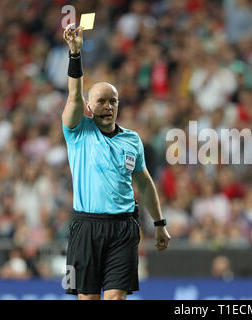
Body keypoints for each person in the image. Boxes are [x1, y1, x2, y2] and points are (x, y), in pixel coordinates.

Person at [61, 24, 171, 300]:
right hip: (85, 227)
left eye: (113, 101)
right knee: (87, 299)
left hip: (123, 228)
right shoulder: (77, 132)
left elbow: (144, 183)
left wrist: (159, 223)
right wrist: (75, 54)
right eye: (101, 101)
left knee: (115, 298)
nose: (108, 107)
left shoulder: (132, 140)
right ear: (89, 106)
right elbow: (74, 95)